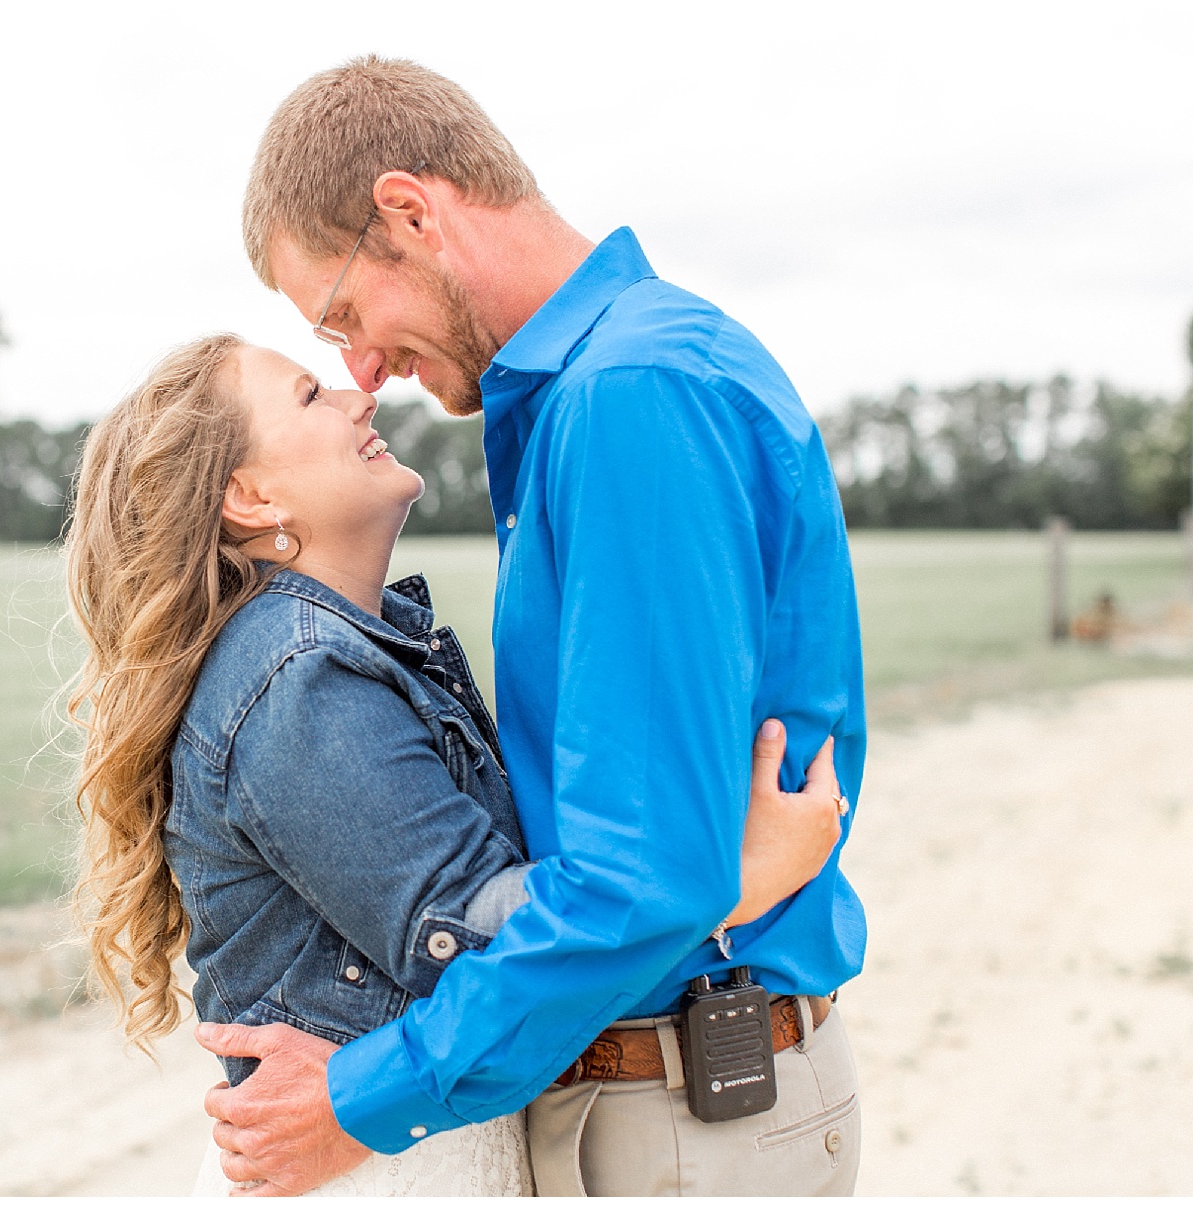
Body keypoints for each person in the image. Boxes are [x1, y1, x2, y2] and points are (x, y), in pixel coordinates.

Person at [195, 57, 869, 1196]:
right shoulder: (594, 390)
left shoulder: (624, 397)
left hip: (682, 1120)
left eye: (346, 314)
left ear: (409, 212)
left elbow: (641, 878)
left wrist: (367, 1096)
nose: (361, 368)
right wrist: (735, 876)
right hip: (646, 1093)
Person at [64, 334, 846, 1196]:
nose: (357, 395)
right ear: (250, 497)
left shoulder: (354, 650)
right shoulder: (299, 680)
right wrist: (739, 875)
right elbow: (484, 943)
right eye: (309, 396)